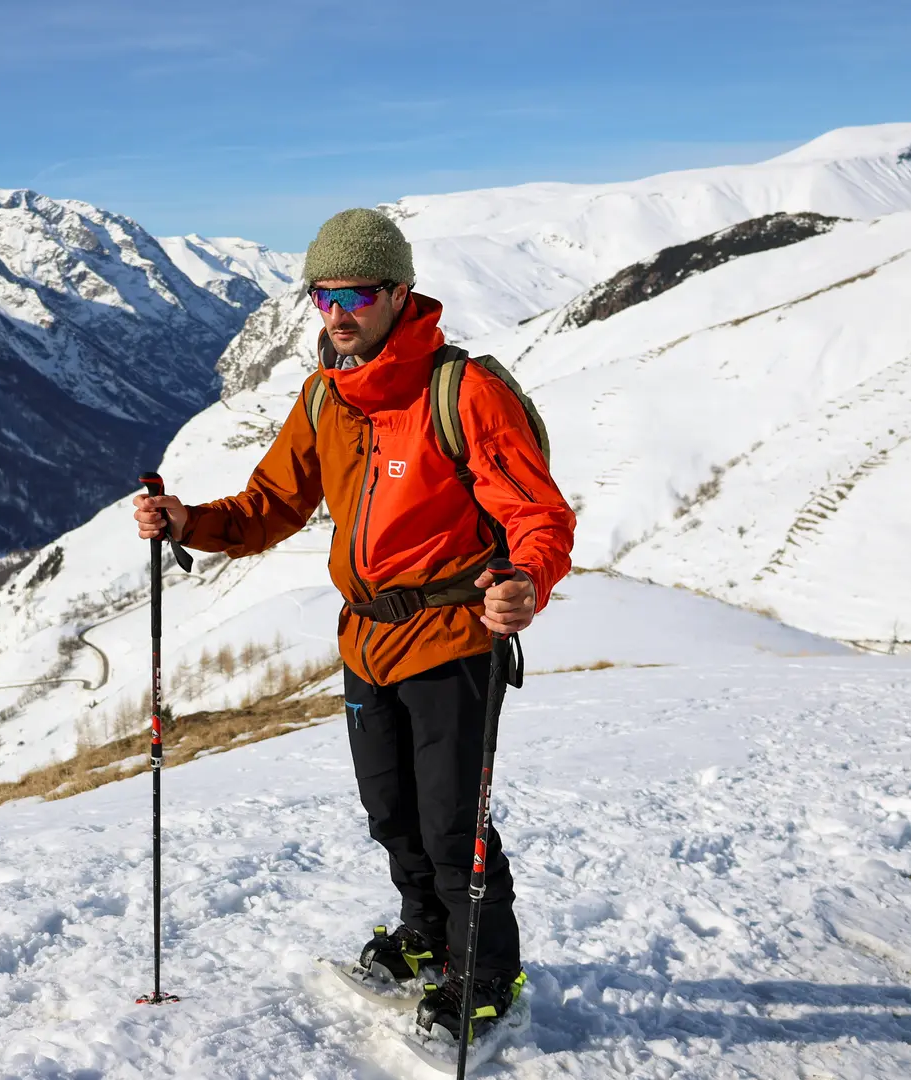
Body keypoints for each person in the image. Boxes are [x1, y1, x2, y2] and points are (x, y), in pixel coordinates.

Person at [132, 208, 575, 1045]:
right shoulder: (324, 397)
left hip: (451, 636)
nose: (337, 313)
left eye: (357, 294)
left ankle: (486, 974)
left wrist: (526, 580)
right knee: (391, 813)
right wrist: (188, 521)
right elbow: (269, 506)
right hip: (366, 639)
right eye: (323, 296)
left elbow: (538, 514)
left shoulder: (462, 392)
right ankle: (426, 934)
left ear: (400, 294)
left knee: (453, 824)